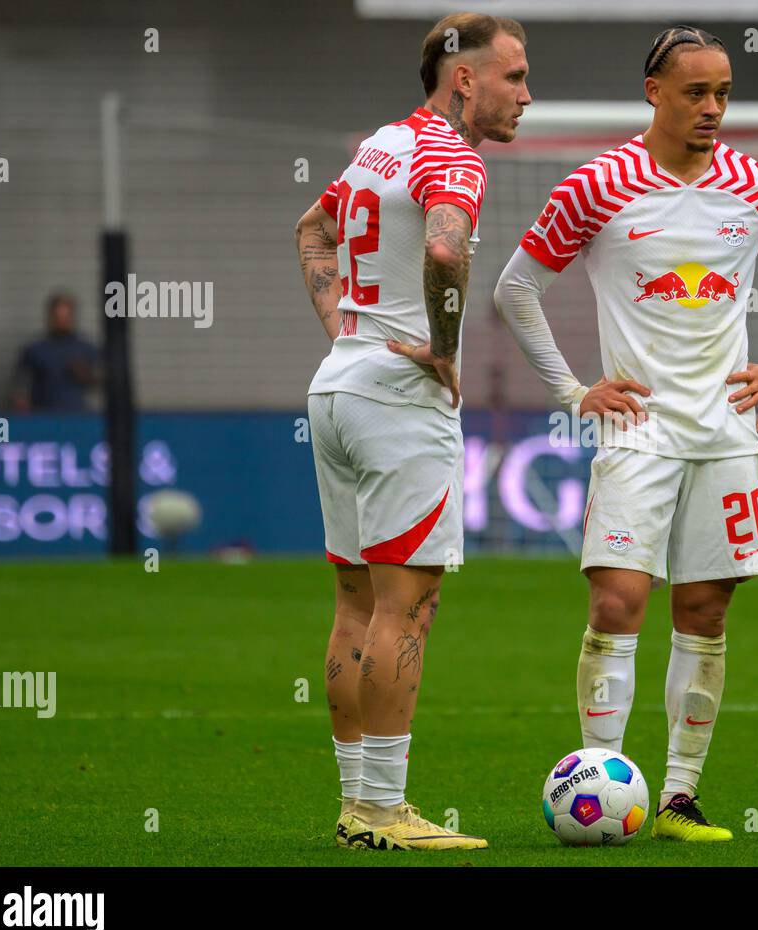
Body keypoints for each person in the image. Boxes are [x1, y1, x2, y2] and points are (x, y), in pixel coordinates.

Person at [494, 25, 758, 842]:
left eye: (722, 92)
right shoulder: (600, 184)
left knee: (706, 611)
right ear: (655, 93)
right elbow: (516, 288)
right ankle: (600, 782)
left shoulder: (756, 185)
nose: (712, 107)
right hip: (637, 431)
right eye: (696, 92)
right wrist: (575, 389)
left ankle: (679, 797)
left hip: (724, 434)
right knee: (619, 601)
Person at [293, 11, 531, 851]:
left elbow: (312, 228)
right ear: (464, 79)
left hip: (340, 383)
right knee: (410, 603)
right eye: (514, 76)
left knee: (355, 605)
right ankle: (388, 812)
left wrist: (342, 327)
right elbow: (444, 252)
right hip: (396, 397)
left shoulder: (382, 145)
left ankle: (357, 807)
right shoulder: (450, 155)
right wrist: (444, 343)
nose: (525, 95)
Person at [11, 293, 101, 412]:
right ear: (50, 317)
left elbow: (101, 382)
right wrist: (20, 400)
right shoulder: (34, 350)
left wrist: (86, 375)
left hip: (77, 417)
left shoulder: (86, 348)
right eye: (58, 317)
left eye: (66, 317)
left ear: (72, 317)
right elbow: (19, 383)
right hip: (42, 417)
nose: (62, 321)